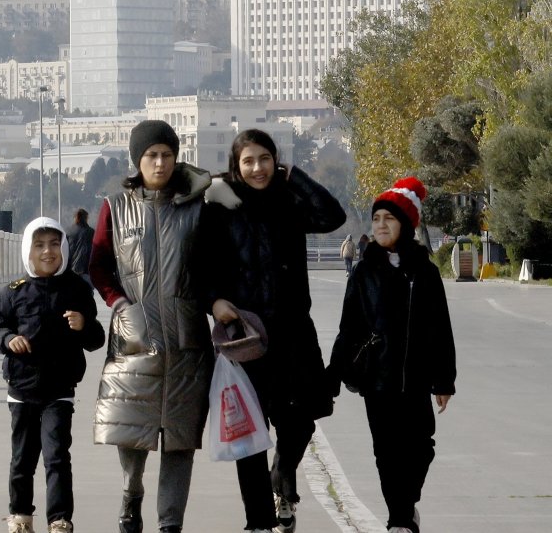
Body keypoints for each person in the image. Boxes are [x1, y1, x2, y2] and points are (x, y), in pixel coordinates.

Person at [200, 130, 347, 533]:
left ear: (276, 161)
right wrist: (214, 302)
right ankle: (258, 521)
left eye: (265, 159)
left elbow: (333, 216)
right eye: (248, 161)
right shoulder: (219, 208)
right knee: (250, 433)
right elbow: (201, 265)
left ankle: (282, 475)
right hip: (244, 338)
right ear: (236, 165)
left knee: (300, 421)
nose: (257, 168)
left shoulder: (289, 202)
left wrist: (295, 177)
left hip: (294, 333)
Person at [89, 120, 214, 533]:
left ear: (176, 158)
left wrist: (216, 303)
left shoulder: (199, 209)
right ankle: (131, 494)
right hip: (134, 339)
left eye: (166, 154)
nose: (159, 163)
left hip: (187, 340)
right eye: (150, 156)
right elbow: (99, 267)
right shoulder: (116, 208)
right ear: (137, 161)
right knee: (131, 432)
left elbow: (214, 270)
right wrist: (121, 305)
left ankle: (170, 524)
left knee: (180, 440)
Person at [330, 177, 456, 533]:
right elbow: (347, 328)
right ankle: (399, 520)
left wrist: (444, 380)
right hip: (378, 379)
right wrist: (333, 377)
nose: (381, 225)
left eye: (389, 218)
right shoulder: (364, 271)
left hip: (416, 380)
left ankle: (405, 505)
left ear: (406, 224)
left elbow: (440, 330)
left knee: (420, 448)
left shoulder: (426, 273)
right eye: (377, 219)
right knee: (386, 452)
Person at [0, 216, 106, 533]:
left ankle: (59, 519)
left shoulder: (78, 289)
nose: (47, 252)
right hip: (22, 389)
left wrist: (84, 325)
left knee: (56, 456)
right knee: (22, 460)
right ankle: (20, 516)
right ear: (28, 249)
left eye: (54, 244)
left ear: (64, 247)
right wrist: (8, 340)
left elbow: (96, 340)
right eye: (39, 245)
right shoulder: (14, 292)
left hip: (59, 390)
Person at [66, 207, 94, 276]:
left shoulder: (69, 231)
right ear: (86, 218)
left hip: (70, 269)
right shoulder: (90, 232)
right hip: (86, 269)